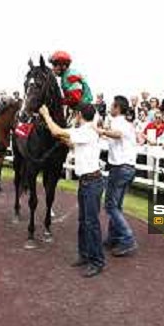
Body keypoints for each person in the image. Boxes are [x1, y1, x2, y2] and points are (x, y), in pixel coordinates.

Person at [39, 102, 105, 278]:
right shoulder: (86, 132)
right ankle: (85, 255)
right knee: (84, 221)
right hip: (87, 182)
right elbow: (72, 144)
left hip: (91, 183)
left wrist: (46, 115)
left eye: (76, 114)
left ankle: (97, 261)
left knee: (91, 223)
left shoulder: (86, 131)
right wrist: (62, 138)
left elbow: (57, 131)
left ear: (80, 115)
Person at [97, 96, 138, 256]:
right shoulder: (127, 123)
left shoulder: (118, 122)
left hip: (120, 168)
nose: (110, 108)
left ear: (117, 107)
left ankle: (127, 239)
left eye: (112, 105)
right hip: (128, 168)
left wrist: (101, 131)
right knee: (116, 205)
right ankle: (114, 237)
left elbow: (118, 134)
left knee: (110, 205)